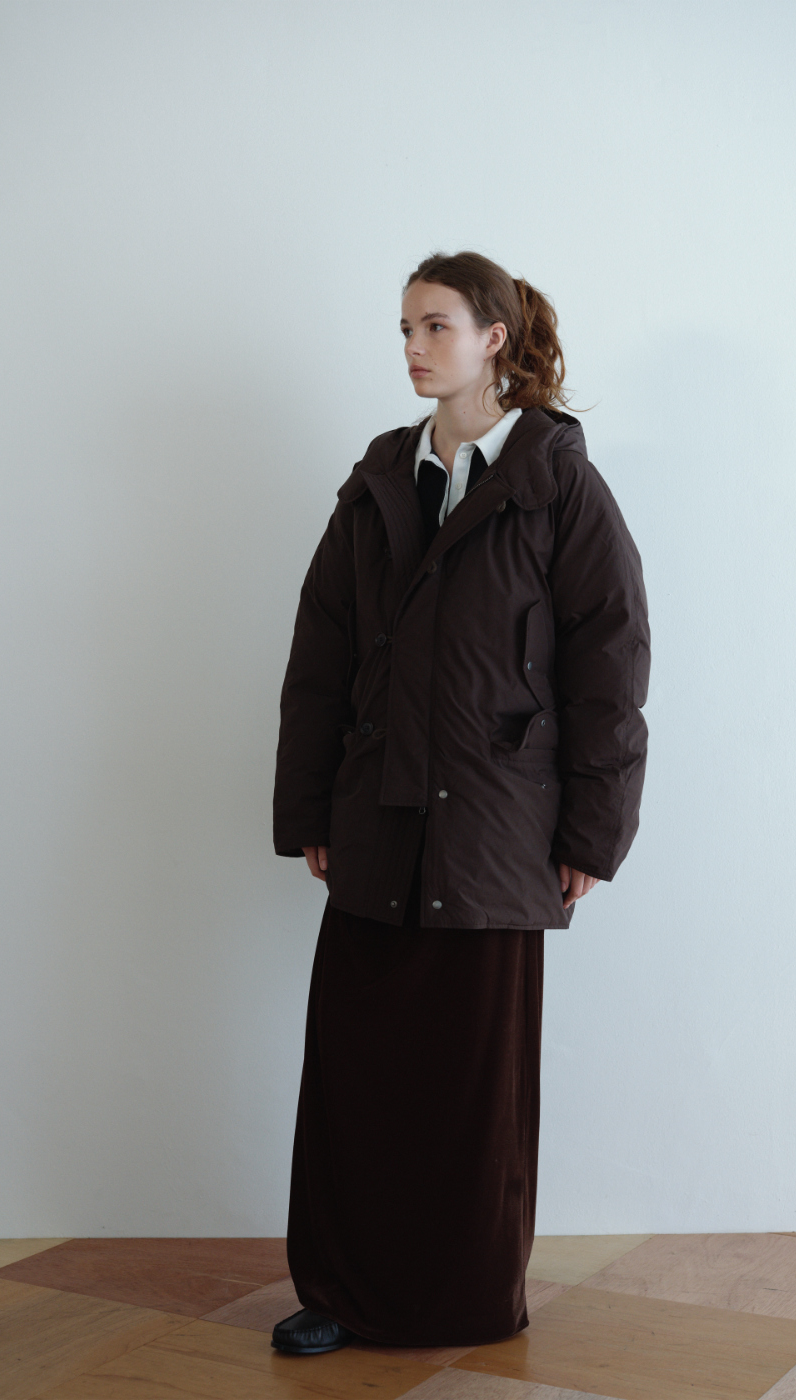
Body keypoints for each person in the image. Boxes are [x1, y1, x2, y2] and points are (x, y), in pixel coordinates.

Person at [270, 250, 650, 1354]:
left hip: (495, 833)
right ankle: (338, 1289)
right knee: (356, 1071)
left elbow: (610, 663)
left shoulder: (556, 484)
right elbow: (321, 654)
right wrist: (310, 809)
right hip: (378, 820)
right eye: (404, 328)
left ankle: (462, 1298)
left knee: (469, 1086)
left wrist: (591, 831)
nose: (412, 347)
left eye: (434, 325)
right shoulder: (379, 481)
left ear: (494, 338)